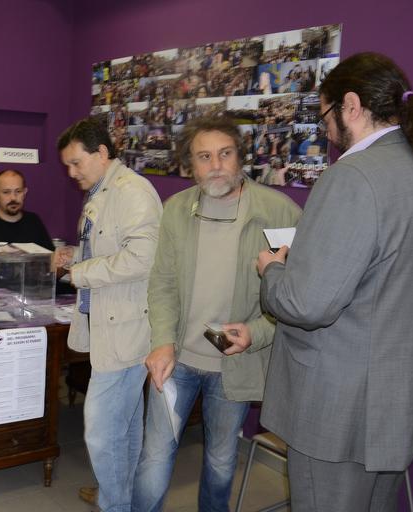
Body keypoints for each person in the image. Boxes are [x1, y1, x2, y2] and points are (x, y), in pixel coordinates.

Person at [257, 52, 413, 510]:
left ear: (351, 105)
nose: (326, 131)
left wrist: (272, 270)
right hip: (397, 400)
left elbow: (306, 304)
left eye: (325, 116)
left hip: (339, 409)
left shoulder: (353, 177)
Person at [131, 116, 300, 512]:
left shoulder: (279, 212)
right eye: (204, 157)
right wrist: (162, 342)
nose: (217, 165)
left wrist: (257, 332)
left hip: (233, 367)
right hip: (177, 361)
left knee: (221, 461)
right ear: (190, 164)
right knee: (154, 456)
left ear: (240, 156)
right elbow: (162, 284)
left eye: (225, 154)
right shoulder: (176, 210)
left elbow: (297, 295)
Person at [54, 118, 162, 512]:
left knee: (101, 431)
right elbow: (107, 248)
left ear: (101, 153)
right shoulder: (103, 189)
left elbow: (142, 258)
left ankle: (115, 503)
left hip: (126, 329)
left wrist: (79, 272)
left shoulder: (133, 192)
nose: (71, 173)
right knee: (124, 427)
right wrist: (76, 255)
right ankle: (120, 497)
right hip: (110, 324)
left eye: (76, 163)